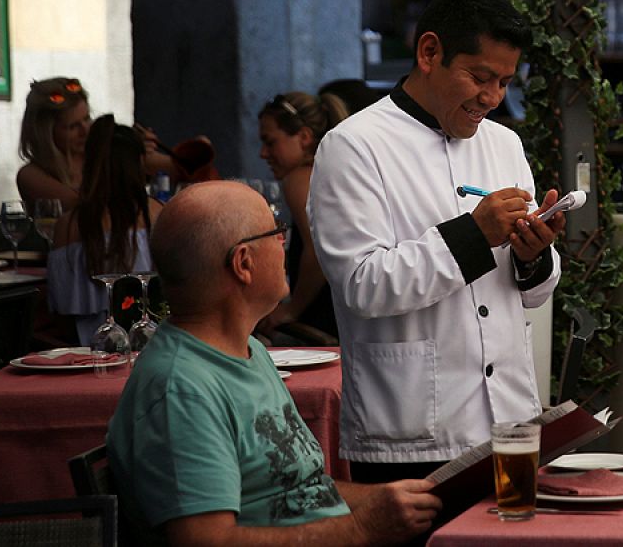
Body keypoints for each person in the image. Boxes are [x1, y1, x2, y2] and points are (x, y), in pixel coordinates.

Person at [309, 0, 566, 482]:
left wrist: (533, 255)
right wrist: (474, 234)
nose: (492, 98)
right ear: (429, 53)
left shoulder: (505, 144)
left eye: (505, 82)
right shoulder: (353, 147)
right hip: (409, 430)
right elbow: (363, 285)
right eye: (480, 78)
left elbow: (533, 295)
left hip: (511, 419)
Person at [108, 181, 440, 545]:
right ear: (243, 263)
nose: (284, 242)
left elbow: (297, 488)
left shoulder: (248, 349)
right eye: (276, 232)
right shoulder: (182, 389)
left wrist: (384, 498)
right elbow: (205, 540)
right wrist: (362, 528)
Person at [48, 115, 161, 345]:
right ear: (140, 162)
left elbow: (61, 313)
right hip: (152, 343)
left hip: (88, 349)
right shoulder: (157, 214)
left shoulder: (69, 225)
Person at [254, 91, 350, 346]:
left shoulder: (299, 179)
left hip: (322, 321)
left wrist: (291, 309)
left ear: (304, 137)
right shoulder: (330, 172)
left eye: (270, 142)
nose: (263, 153)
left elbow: (317, 250)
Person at [16, 77, 93, 207]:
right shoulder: (30, 175)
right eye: (73, 127)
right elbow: (84, 208)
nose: (85, 131)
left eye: (87, 119)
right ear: (46, 134)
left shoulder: (101, 158)